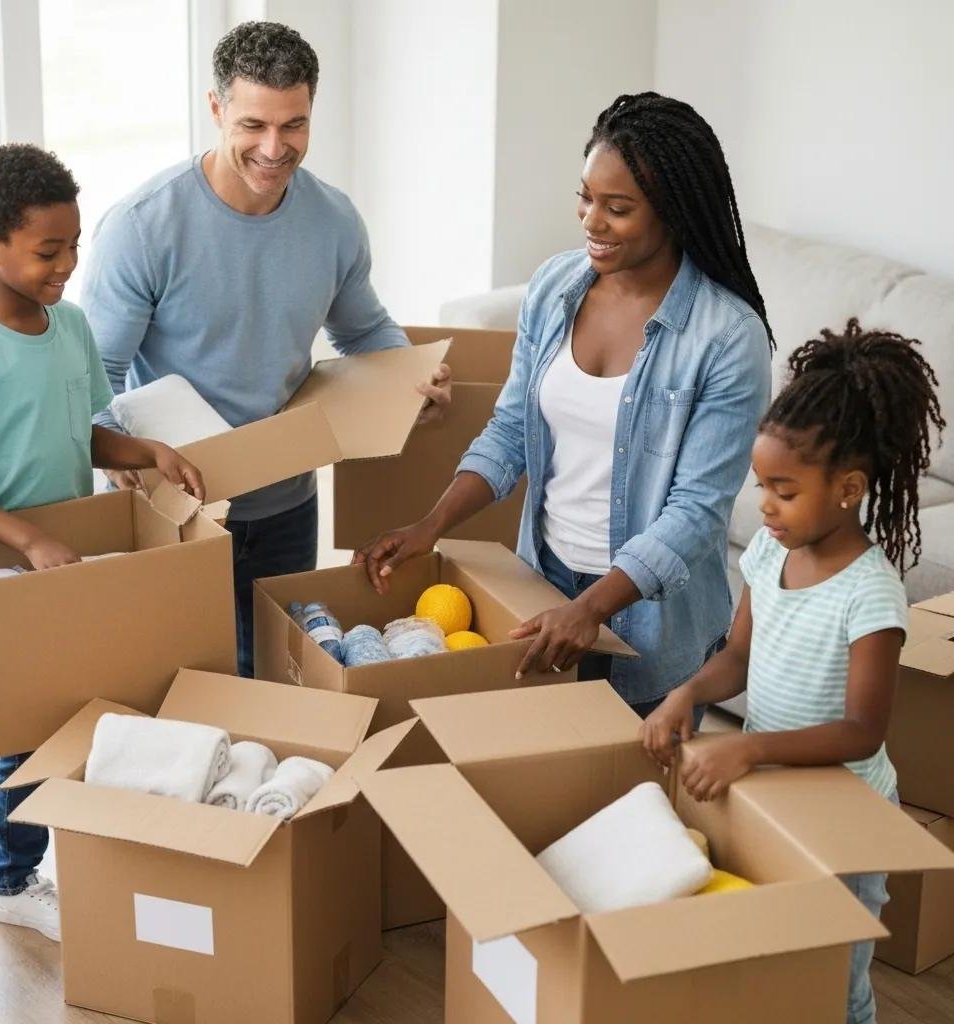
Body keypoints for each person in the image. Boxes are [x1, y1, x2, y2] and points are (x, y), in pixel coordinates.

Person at [356, 92, 772, 720]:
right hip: (542, 584)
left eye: (618, 208)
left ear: (674, 212)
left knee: (638, 804)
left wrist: (593, 608)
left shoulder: (725, 337)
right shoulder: (555, 288)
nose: (591, 221)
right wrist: (430, 525)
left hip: (652, 622)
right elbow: (512, 426)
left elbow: (697, 513)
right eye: (585, 197)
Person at [80, 21, 450, 678]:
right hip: (180, 513)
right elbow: (95, 376)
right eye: (253, 124)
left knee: (278, 687)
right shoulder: (143, 227)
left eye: (294, 125)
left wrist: (412, 377)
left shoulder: (332, 221)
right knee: (182, 687)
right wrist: (121, 464)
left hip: (286, 507)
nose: (274, 148)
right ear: (216, 108)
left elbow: (363, 332)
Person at [0, 144, 204, 1011]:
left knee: (43, 740)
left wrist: (146, 449)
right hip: (0, 581)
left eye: (73, 245)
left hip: (64, 576)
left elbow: (86, 431)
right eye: (47, 251)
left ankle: (13, 880)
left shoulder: (74, 328)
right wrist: (26, 542)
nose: (66, 265)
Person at [642, 319, 945, 1024]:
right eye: (761, 487)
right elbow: (739, 659)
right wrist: (687, 692)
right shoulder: (770, 557)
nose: (764, 506)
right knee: (774, 964)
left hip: (846, 817)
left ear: (847, 488)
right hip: (775, 797)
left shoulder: (872, 593)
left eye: (783, 489)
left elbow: (862, 731)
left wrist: (746, 745)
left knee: (836, 986)